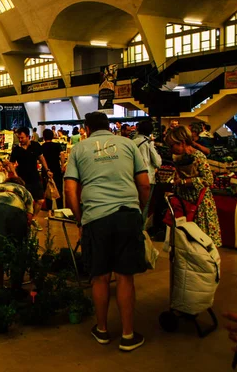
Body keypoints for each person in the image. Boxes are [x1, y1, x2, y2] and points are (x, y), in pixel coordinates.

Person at [64, 111, 150, 352]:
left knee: (99, 276)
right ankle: (128, 335)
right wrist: (140, 211)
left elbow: (70, 190)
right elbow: (144, 184)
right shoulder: (128, 144)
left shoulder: (79, 150)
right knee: (125, 276)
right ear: (109, 126)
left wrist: (81, 220)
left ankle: (101, 329)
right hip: (127, 215)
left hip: (96, 218)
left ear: (87, 128)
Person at [165, 125, 221, 247]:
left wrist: (185, 182)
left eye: (172, 145)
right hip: (184, 204)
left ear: (182, 142)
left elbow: (208, 179)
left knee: (200, 243)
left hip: (199, 205)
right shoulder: (178, 158)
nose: (170, 149)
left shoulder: (198, 156)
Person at [0, 176, 34, 288]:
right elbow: (29, 217)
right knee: (18, 248)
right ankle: (16, 286)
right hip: (13, 211)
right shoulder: (24, 191)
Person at [7, 127, 54, 231]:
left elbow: (41, 158)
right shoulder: (16, 149)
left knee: (40, 200)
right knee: (22, 200)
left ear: (28, 136)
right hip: (22, 179)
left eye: (22, 137)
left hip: (35, 177)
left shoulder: (36, 146)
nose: (20, 139)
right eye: (19, 137)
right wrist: (14, 174)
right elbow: (10, 162)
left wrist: (47, 170)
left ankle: (33, 218)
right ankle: (23, 221)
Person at [133, 120, 163, 223]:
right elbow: (158, 162)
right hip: (148, 177)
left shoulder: (132, 142)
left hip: (133, 177)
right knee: (144, 206)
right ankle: (140, 230)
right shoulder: (149, 143)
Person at [41, 128, 65, 212]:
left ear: (44, 137)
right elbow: (62, 155)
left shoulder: (42, 147)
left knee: (48, 192)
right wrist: (62, 166)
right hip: (56, 169)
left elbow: (40, 158)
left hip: (46, 171)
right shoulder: (57, 145)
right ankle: (60, 209)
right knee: (59, 190)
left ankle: (49, 211)